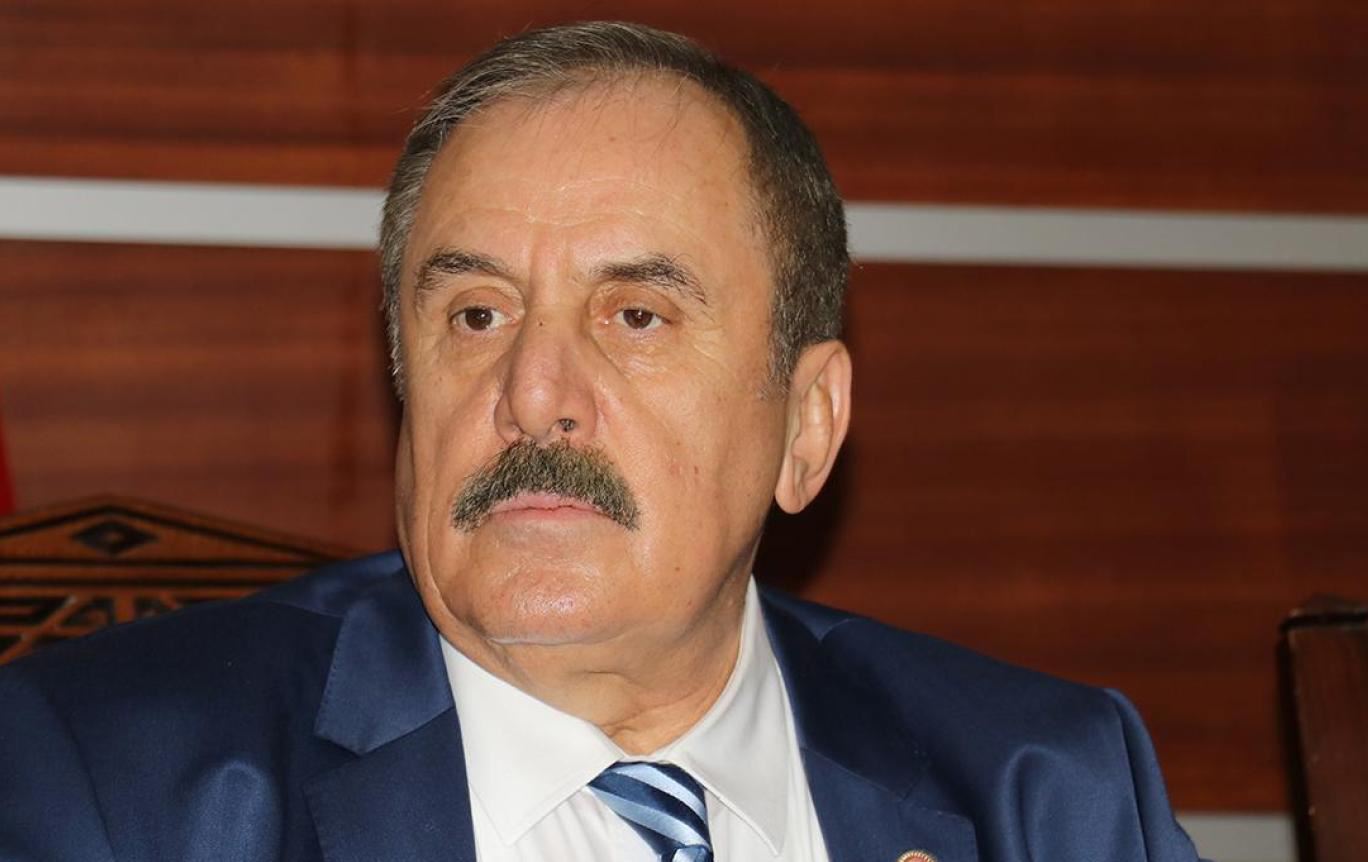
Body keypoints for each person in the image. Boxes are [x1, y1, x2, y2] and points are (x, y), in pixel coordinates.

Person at [0, 21, 1203, 862]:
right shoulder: (109, 784)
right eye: (477, 314)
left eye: (636, 316)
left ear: (807, 425)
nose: (534, 393)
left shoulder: (1047, 792)